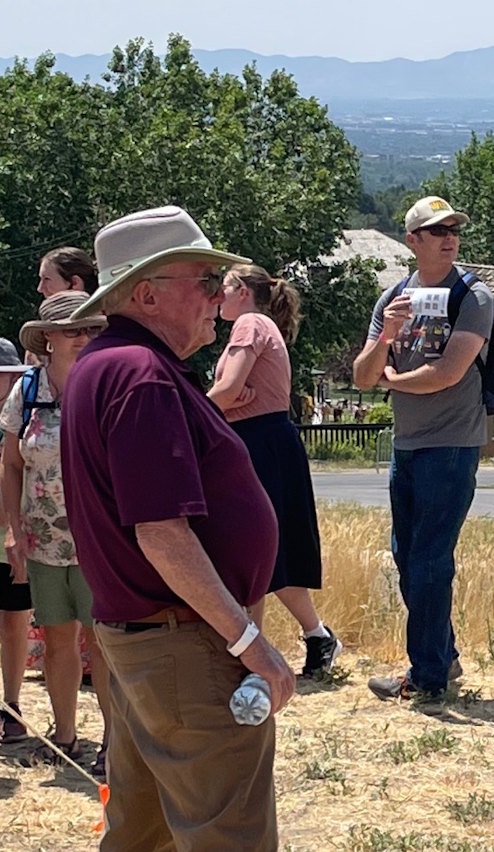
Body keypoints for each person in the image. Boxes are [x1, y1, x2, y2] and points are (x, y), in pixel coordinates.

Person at [60, 205, 295, 850]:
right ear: (147, 293)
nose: (217, 298)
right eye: (204, 281)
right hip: (183, 646)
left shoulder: (106, 365)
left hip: (143, 644)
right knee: (228, 835)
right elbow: (161, 533)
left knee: (142, 834)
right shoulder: (140, 374)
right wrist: (249, 640)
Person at [353, 195, 492, 701]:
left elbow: (448, 373)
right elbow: (363, 377)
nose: (449, 237)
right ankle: (442, 658)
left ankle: (428, 676)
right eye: (436, 231)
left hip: (453, 443)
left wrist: (394, 379)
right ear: (413, 240)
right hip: (408, 444)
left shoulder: (473, 298)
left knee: (431, 557)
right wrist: (386, 337)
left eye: (453, 228)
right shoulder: (393, 297)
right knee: (407, 555)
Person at [208, 263, 342, 678]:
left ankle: (253, 655)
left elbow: (229, 390)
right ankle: (310, 637)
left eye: (223, 287)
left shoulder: (249, 323)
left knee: (254, 548)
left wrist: (195, 411)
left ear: (243, 291)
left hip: (258, 442)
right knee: (265, 549)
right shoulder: (262, 324)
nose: (216, 295)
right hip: (264, 441)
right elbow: (231, 393)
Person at [0, 293, 110, 774]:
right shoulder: (26, 391)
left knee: (102, 640)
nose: (83, 337)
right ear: (47, 338)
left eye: (89, 328)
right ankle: (66, 736)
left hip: (99, 540)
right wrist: (12, 530)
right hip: (42, 538)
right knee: (57, 639)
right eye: (72, 329)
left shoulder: (105, 384)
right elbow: (10, 464)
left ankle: (113, 740)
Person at [0, 340, 32, 746]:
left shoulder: (24, 416)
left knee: (14, 621)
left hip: (16, 534)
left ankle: (11, 707)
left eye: (9, 374)